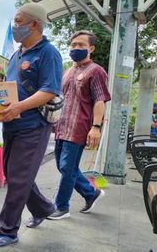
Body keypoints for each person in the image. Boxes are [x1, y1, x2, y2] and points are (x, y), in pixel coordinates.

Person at [0, 3, 62, 247]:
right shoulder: (16, 55)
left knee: (18, 178)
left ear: (34, 24)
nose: (14, 25)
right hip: (12, 125)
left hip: (33, 126)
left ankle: (7, 230)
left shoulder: (48, 53)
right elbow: (9, 87)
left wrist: (18, 107)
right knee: (15, 174)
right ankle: (44, 208)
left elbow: (49, 90)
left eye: (18, 21)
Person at [49, 31, 111, 220]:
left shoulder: (96, 71)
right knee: (63, 166)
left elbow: (100, 100)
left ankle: (62, 207)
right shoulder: (68, 71)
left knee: (67, 167)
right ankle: (91, 193)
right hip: (62, 126)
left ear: (91, 48)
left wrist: (96, 127)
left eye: (81, 45)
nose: (76, 48)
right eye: (73, 45)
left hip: (79, 126)